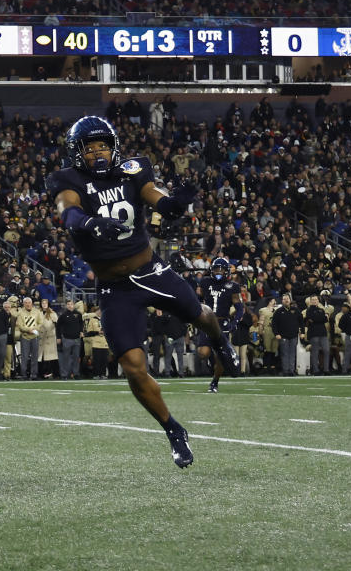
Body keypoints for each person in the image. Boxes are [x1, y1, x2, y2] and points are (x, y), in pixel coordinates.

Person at [47, 116, 240, 468]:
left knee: (201, 314)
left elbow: (154, 196)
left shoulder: (133, 169)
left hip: (151, 271)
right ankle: (173, 430)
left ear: (114, 146)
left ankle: (221, 343)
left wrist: (173, 205)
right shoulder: (67, 179)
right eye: (89, 148)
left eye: (103, 145)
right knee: (134, 367)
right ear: (77, 153)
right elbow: (68, 210)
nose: (97, 153)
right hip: (116, 287)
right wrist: (90, 223)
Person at [194, 258, 243, 392]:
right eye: (216, 269)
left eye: (221, 269)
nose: (218, 272)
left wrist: (235, 322)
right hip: (207, 320)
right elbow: (197, 299)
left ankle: (214, 382)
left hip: (222, 322)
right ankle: (211, 358)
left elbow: (239, 308)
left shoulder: (232, 286)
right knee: (203, 352)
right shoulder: (205, 282)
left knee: (221, 357)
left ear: (227, 271)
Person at [272, 294, 301, 376]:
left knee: (292, 353)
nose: (286, 300)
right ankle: (285, 371)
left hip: (293, 335)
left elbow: (301, 321)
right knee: (284, 354)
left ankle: (291, 371)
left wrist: (302, 332)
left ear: (290, 300)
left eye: (287, 299)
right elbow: (274, 324)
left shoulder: (296, 310)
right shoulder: (278, 311)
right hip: (283, 336)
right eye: (284, 299)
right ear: (282, 301)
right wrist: (276, 334)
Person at [16, 297, 43, 380]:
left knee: (35, 356)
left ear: (31, 303)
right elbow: (20, 325)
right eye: (26, 303)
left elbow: (40, 323)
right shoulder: (20, 313)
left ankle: (34, 374)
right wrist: (28, 330)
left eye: (29, 302)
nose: (27, 304)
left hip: (35, 336)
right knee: (24, 357)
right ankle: (24, 374)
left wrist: (35, 330)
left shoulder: (37, 312)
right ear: (23, 304)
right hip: (25, 336)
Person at [56, 298, 84, 379]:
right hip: (66, 339)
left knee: (76, 357)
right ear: (66, 306)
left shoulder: (78, 314)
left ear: (74, 305)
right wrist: (58, 337)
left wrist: (81, 331)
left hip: (77, 339)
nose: (70, 306)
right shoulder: (63, 315)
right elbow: (58, 327)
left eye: (71, 304)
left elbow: (81, 324)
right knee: (66, 357)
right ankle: (65, 374)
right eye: (68, 304)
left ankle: (76, 374)